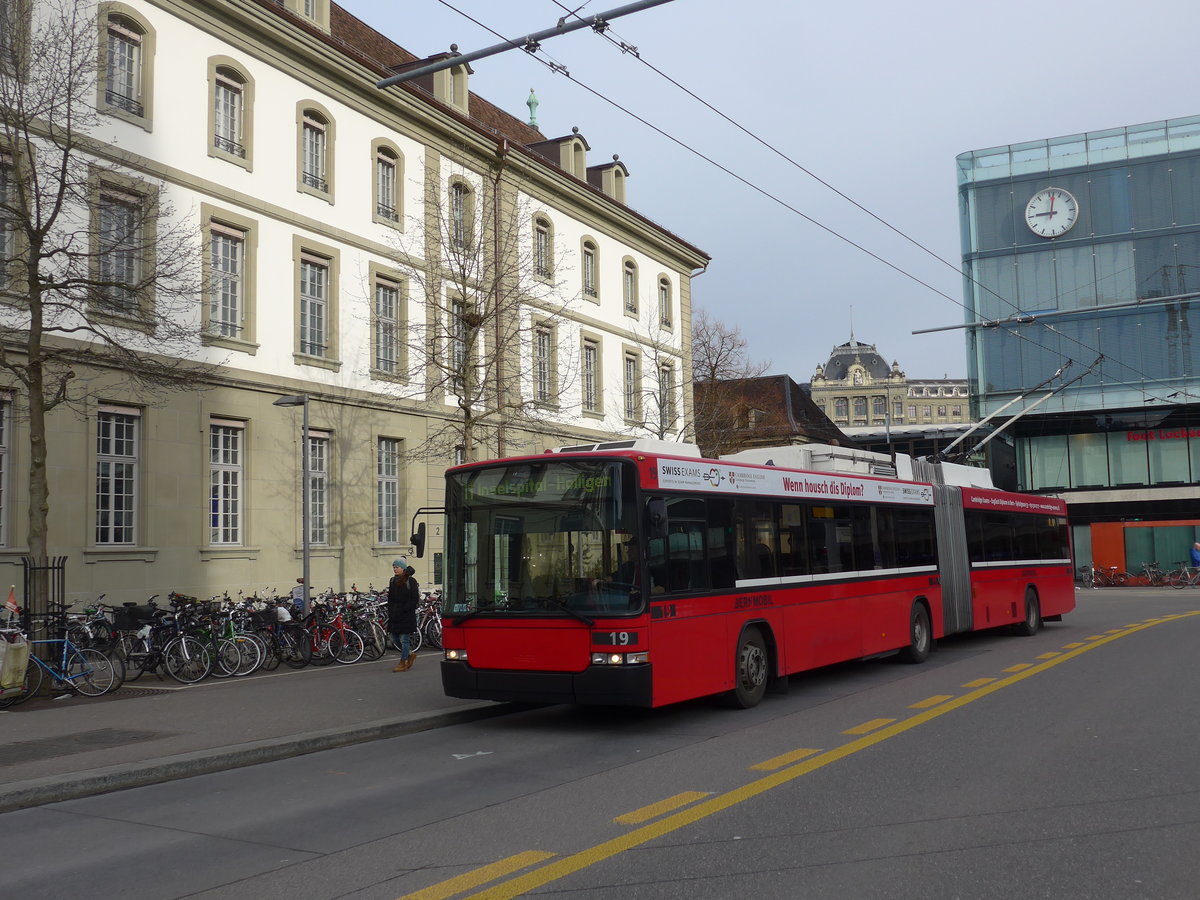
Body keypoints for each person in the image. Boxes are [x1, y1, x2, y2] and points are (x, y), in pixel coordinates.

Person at [388, 558, 420, 672]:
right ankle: (410, 654)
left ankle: (403, 662)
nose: (395, 569)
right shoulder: (392, 580)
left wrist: (406, 608)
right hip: (395, 615)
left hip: (406, 615)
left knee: (404, 639)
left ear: (403, 568)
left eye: (397, 567)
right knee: (395, 638)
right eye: (394, 567)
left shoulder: (410, 581)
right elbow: (390, 597)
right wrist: (390, 610)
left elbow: (415, 598)